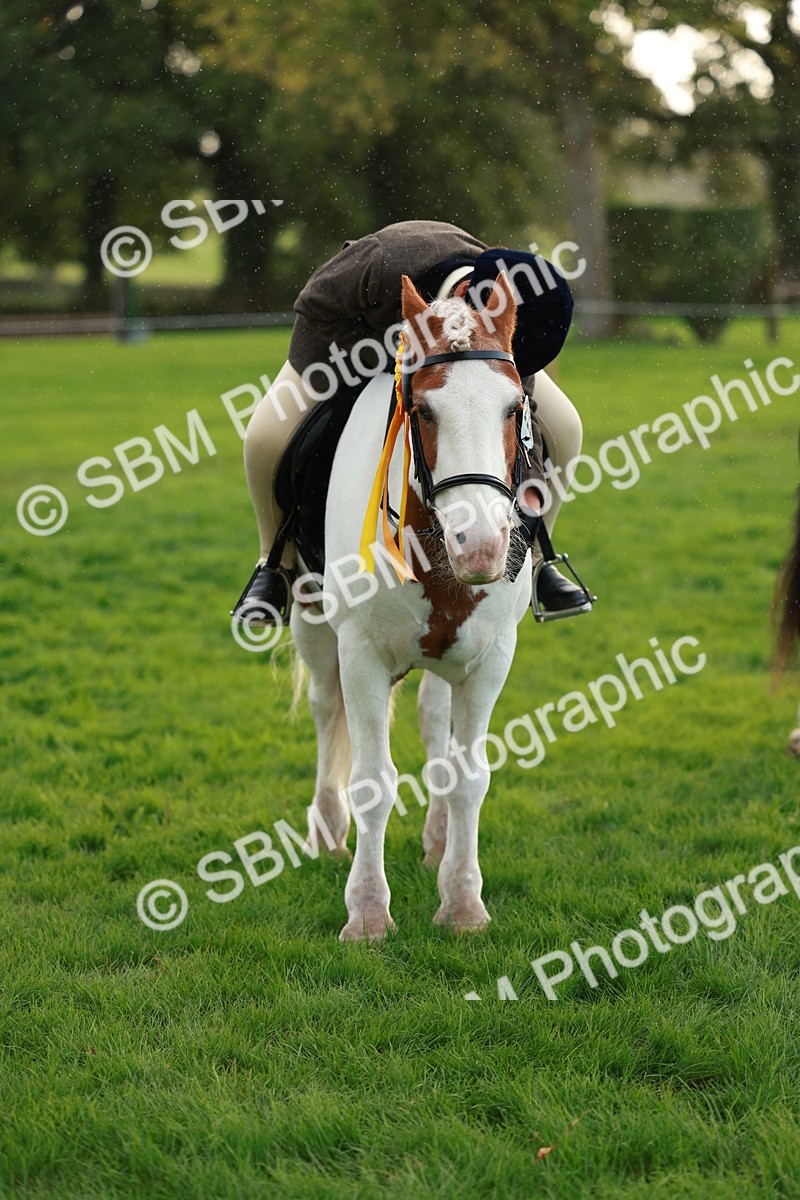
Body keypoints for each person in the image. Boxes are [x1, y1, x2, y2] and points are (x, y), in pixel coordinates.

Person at [231, 219, 591, 623]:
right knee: (263, 435)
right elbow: (315, 304)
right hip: (344, 338)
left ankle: (541, 559)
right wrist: (392, 364)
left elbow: (521, 426)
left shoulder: (506, 316)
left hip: (483, 348)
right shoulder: (379, 264)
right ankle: (273, 564)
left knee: (568, 427)